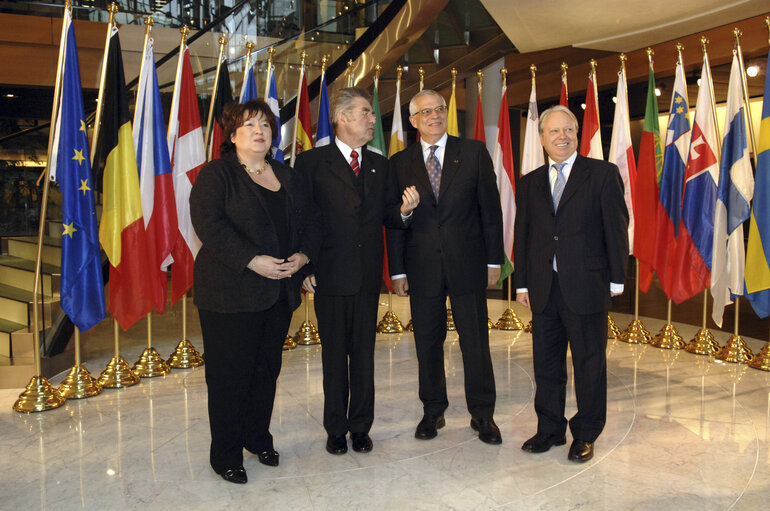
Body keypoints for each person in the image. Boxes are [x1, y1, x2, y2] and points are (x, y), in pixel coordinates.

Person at [190, 100, 312, 484]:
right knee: (230, 376)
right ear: (232, 136)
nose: (259, 131)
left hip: (277, 294)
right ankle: (224, 453)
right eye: (249, 126)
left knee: (266, 372)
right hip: (229, 293)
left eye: (265, 125)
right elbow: (209, 225)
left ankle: (257, 436)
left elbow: (311, 221)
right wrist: (251, 259)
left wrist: (303, 257)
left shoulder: (286, 175)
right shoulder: (217, 174)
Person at [297, 87, 419, 455]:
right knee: (334, 356)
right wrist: (306, 265)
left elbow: (388, 216)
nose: (371, 120)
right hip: (329, 276)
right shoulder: (311, 163)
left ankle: (361, 427)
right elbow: (303, 219)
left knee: (364, 356)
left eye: (371, 114)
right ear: (342, 117)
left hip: (366, 279)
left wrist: (405, 211)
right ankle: (335, 428)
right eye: (365, 113)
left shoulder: (380, 164)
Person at [386, 89, 504, 445]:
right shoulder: (398, 163)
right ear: (413, 121)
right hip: (421, 268)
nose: (434, 116)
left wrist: (494, 261)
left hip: (468, 264)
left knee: (476, 342)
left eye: (439, 109)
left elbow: (491, 211)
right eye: (425, 112)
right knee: (427, 342)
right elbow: (394, 220)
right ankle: (432, 411)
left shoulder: (473, 153)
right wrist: (398, 271)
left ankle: (483, 415)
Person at [513, 105, 628, 462]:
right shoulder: (530, 182)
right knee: (546, 364)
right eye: (554, 132)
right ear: (543, 138)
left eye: (568, 131)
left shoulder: (603, 174)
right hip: (544, 287)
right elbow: (524, 235)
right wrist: (522, 284)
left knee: (589, 363)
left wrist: (617, 278)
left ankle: (586, 433)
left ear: (577, 135)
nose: (562, 137)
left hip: (588, 284)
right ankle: (549, 429)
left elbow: (616, 229)